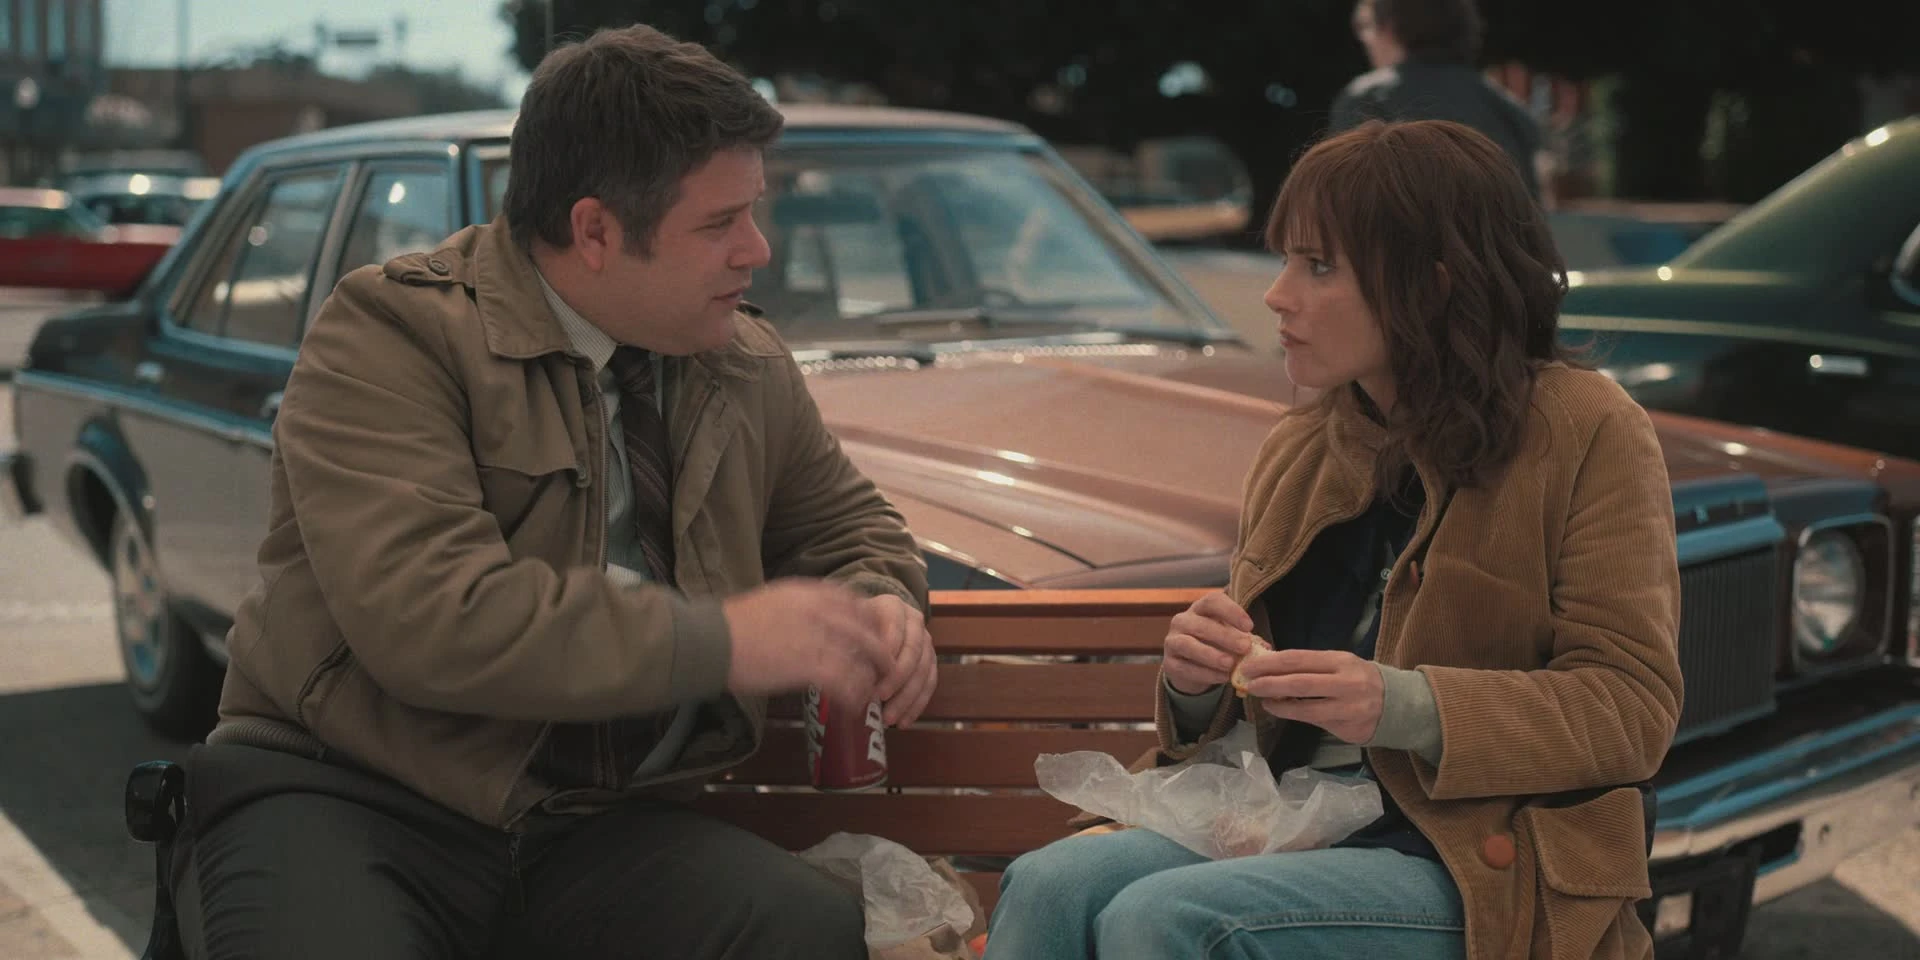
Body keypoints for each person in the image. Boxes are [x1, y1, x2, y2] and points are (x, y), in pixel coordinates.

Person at [172, 24, 937, 960]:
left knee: (806, 932)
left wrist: (881, 601)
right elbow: (432, 621)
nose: (757, 251)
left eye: (754, 212)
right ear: (596, 232)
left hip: (591, 822)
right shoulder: (391, 335)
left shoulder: (741, 362)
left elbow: (848, 526)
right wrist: (727, 641)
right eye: (718, 225)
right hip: (351, 795)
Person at [983, 119, 1684, 960]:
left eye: (1319, 267)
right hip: (1291, 818)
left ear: (1432, 285)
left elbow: (1630, 710)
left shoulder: (1587, 428)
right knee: (1049, 884)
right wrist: (1197, 683)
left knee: (1169, 919)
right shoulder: (1304, 444)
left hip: (1475, 854)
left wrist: (1406, 705)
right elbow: (1244, 714)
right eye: (1285, 260)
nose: (1278, 295)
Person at [1331, 0, 1547, 201]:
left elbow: (1344, 205)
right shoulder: (1506, 107)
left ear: (1389, 28)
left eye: (1366, 26)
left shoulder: (1367, 100)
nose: (1365, 40)